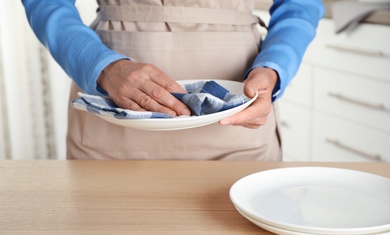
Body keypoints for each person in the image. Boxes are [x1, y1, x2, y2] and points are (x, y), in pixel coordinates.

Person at [22, 0, 325, 160]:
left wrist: (273, 69)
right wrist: (102, 67)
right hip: (111, 110)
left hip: (236, 120)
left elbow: (301, 4)